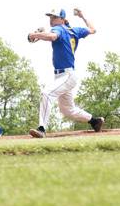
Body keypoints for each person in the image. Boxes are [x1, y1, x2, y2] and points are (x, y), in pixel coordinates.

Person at [26, 8, 104, 138]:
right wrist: (82, 16)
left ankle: (41, 129)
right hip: (64, 76)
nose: (51, 19)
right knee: (68, 110)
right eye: (50, 17)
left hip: (67, 75)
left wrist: (35, 35)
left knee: (47, 93)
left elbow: (52, 36)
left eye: (54, 17)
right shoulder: (74, 31)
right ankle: (95, 121)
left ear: (62, 19)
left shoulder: (59, 29)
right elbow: (92, 30)